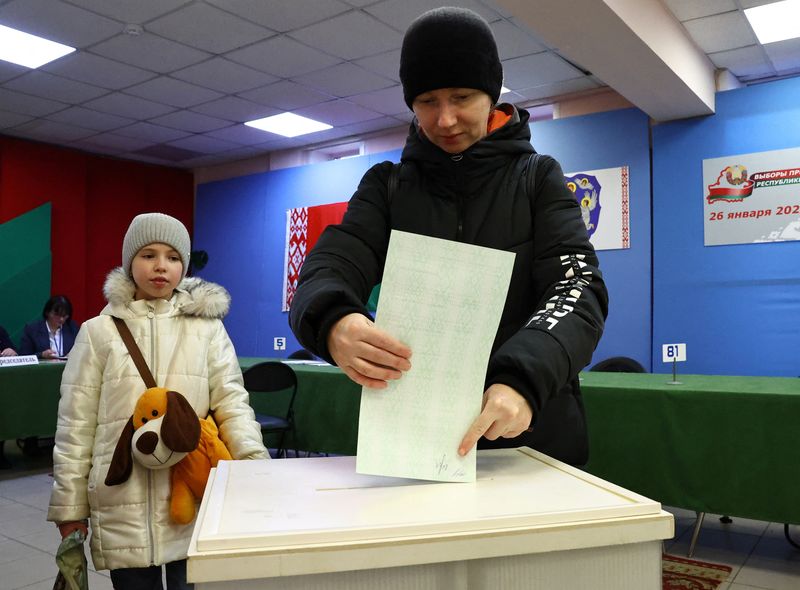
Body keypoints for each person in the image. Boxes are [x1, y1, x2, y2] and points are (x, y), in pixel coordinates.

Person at [289, 7, 608, 466]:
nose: (444, 120)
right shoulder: (386, 186)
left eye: (462, 97)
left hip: (532, 432)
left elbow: (578, 288)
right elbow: (331, 264)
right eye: (426, 101)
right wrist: (334, 321)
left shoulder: (538, 178)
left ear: (492, 95)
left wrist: (522, 380)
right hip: (414, 440)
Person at [48, 213, 268, 590]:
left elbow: (233, 401)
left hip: (191, 492)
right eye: (148, 254)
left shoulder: (208, 329)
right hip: (122, 497)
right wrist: (69, 507)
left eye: (172, 256)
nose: (161, 266)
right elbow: (75, 424)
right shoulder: (98, 333)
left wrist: (253, 468)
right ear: (129, 261)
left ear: (183, 265)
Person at [19, 295, 79, 359]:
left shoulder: (72, 328)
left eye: (64, 316)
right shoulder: (32, 330)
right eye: (57, 315)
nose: (61, 319)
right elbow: (23, 356)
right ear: (47, 312)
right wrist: (41, 355)